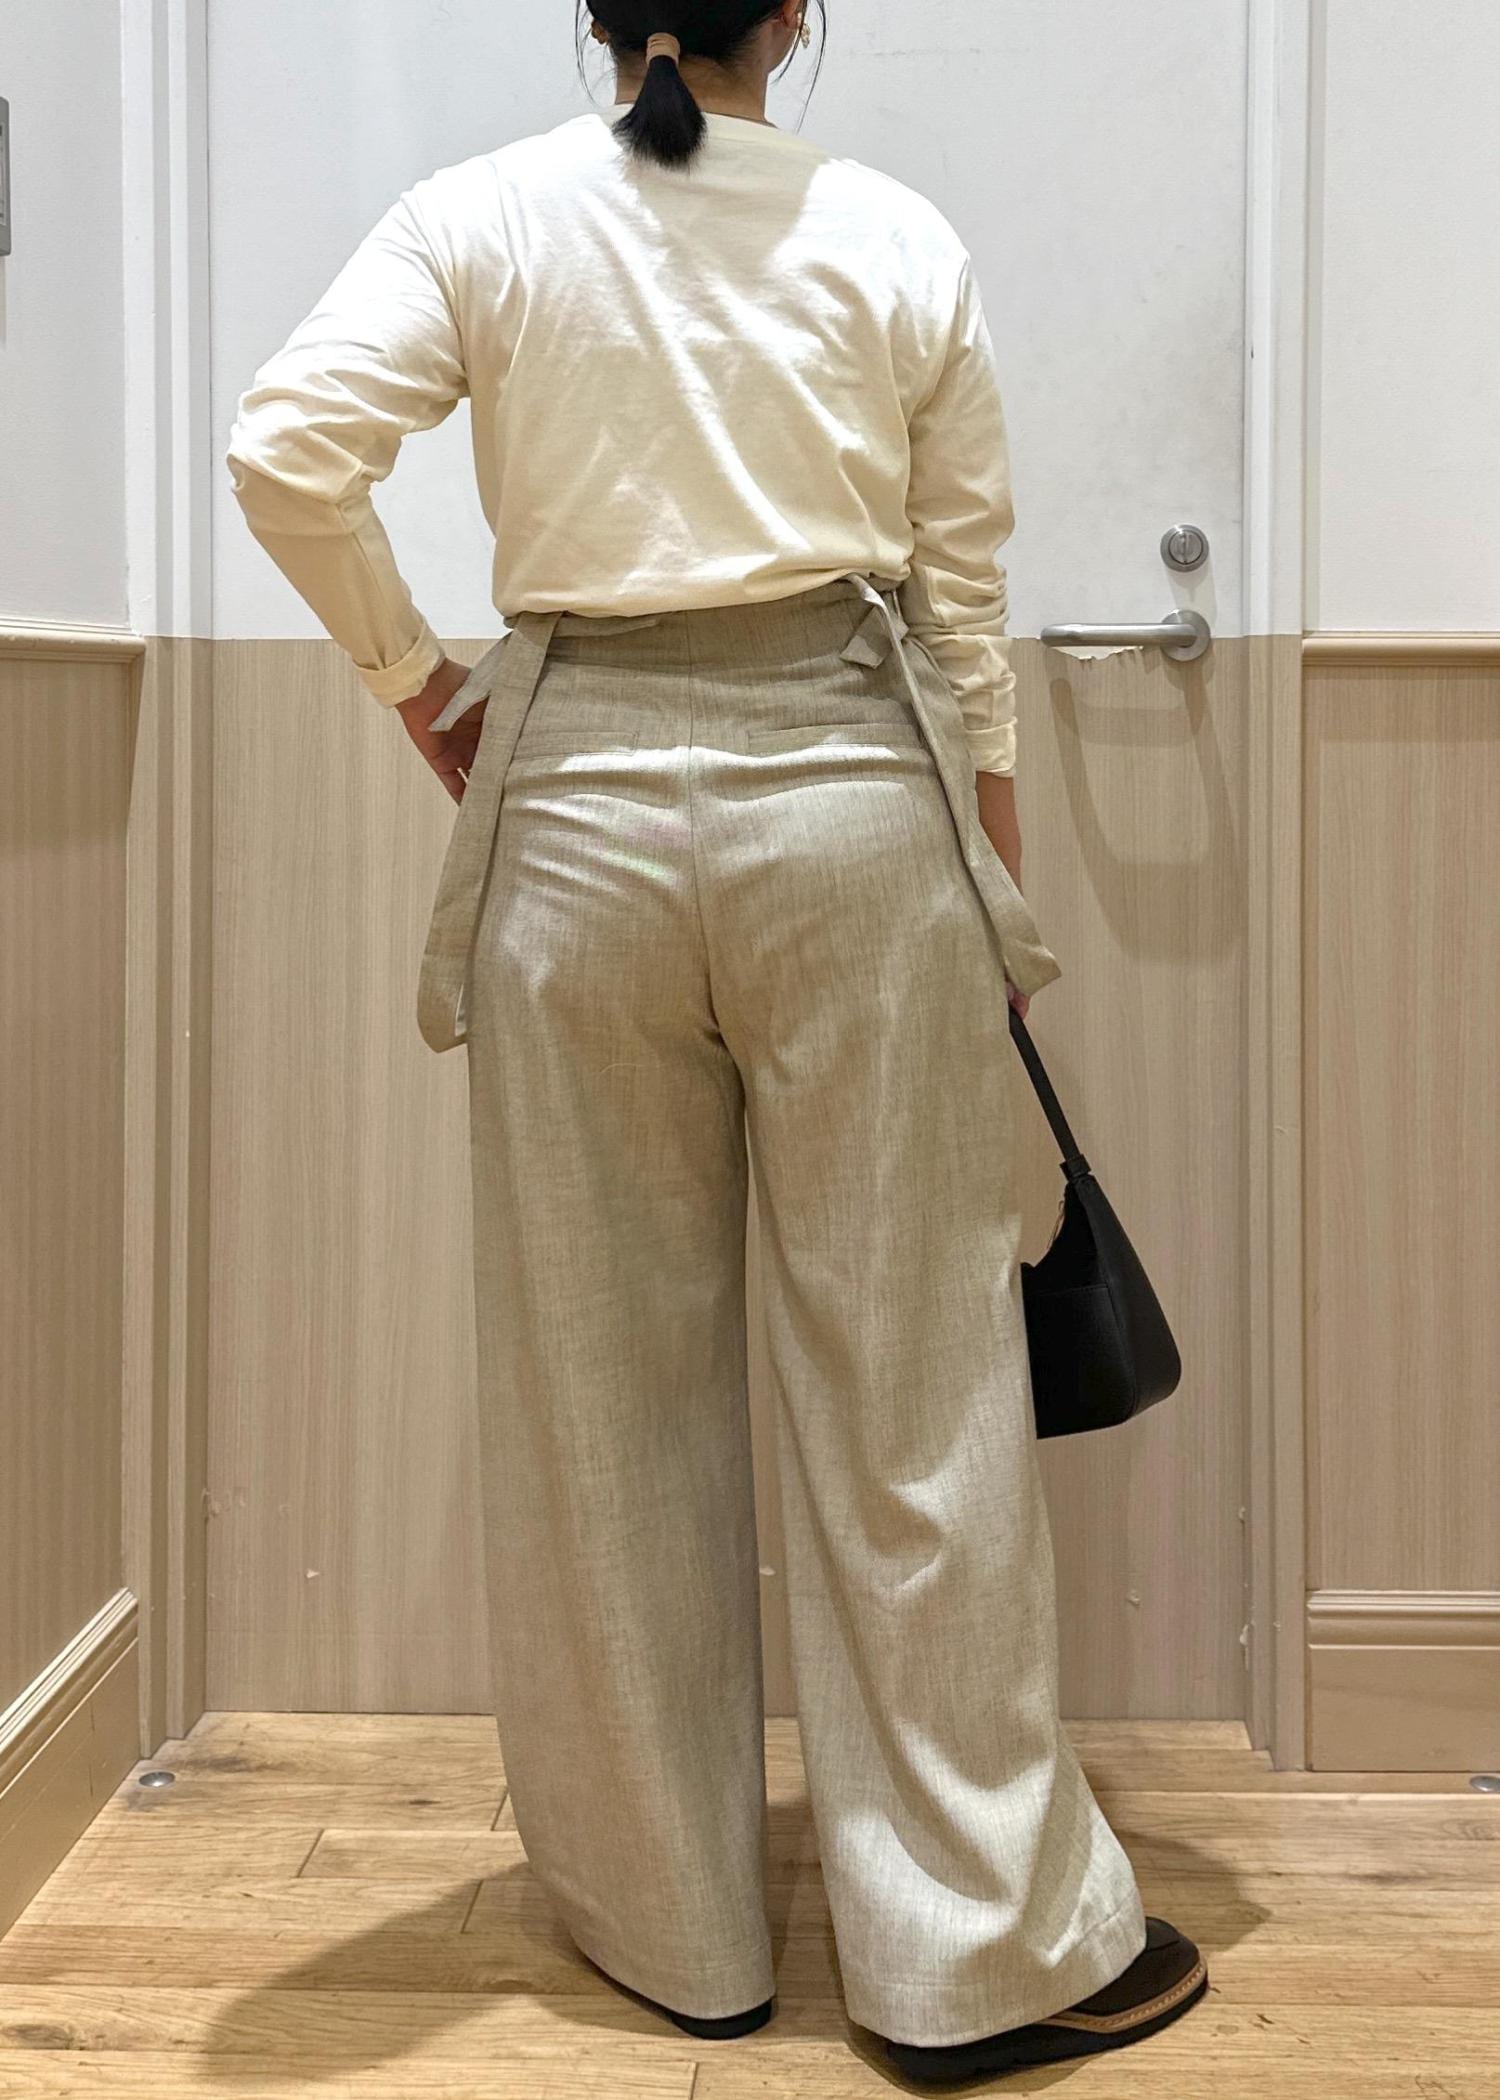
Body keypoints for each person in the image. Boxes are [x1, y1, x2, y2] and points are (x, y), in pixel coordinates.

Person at [224, 2, 1208, 2081]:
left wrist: (423, 688)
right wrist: (994, 894)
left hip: (572, 806)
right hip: (852, 800)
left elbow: (283, 452)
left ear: (593, 16)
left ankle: (672, 1927)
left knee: (598, 1393)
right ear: (796, 16)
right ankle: (975, 1960)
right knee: (916, 1399)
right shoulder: (893, 234)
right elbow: (958, 608)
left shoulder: (478, 216)